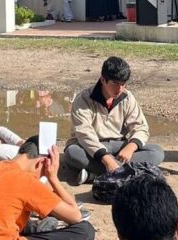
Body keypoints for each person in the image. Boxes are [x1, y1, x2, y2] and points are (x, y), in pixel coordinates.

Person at [62, 57, 165, 186]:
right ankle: (125, 173)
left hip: (118, 146)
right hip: (90, 148)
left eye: (123, 84)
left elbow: (141, 127)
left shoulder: (127, 98)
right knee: (72, 153)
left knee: (156, 153)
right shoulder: (83, 99)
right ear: (103, 80)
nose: (120, 88)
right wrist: (105, 159)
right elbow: (84, 134)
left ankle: (95, 176)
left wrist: (131, 147)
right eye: (115, 83)